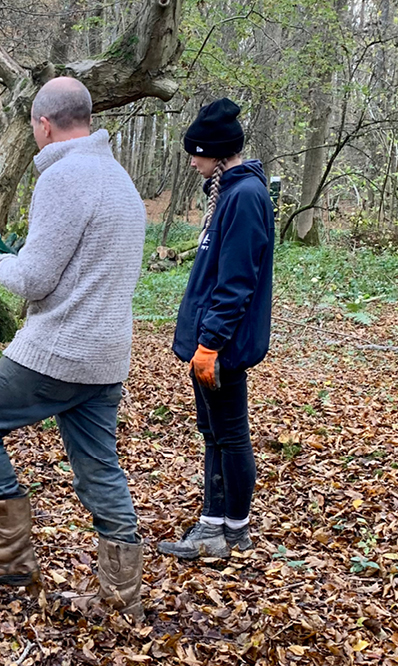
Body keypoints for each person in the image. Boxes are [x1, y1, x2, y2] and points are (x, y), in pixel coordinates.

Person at [0, 77, 147, 620]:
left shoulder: (63, 177)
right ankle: (121, 596)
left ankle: (9, 554)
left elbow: (33, 278)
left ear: (43, 125)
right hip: (108, 353)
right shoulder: (121, 180)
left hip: (60, 348)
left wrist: (1, 261)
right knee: (100, 466)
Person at [157, 98, 274, 560]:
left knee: (230, 434)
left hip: (221, 347)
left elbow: (236, 283)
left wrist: (209, 345)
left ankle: (233, 529)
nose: (192, 161)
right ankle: (213, 524)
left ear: (218, 153)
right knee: (215, 434)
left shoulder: (245, 197)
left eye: (197, 153)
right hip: (209, 344)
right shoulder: (229, 193)